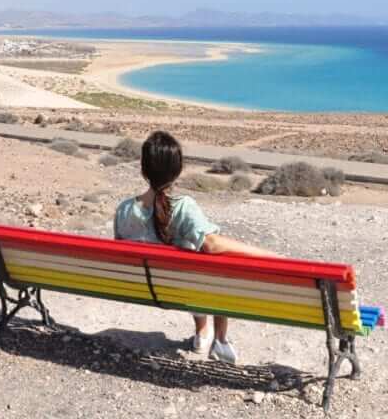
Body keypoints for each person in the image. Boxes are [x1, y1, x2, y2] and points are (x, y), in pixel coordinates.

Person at [113, 130, 277, 364]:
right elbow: (212, 244)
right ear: (178, 170)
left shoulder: (124, 210)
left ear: (143, 169)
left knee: (192, 264)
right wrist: (269, 255)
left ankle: (202, 332)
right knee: (216, 266)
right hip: (186, 288)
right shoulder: (183, 207)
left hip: (146, 288)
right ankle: (220, 339)